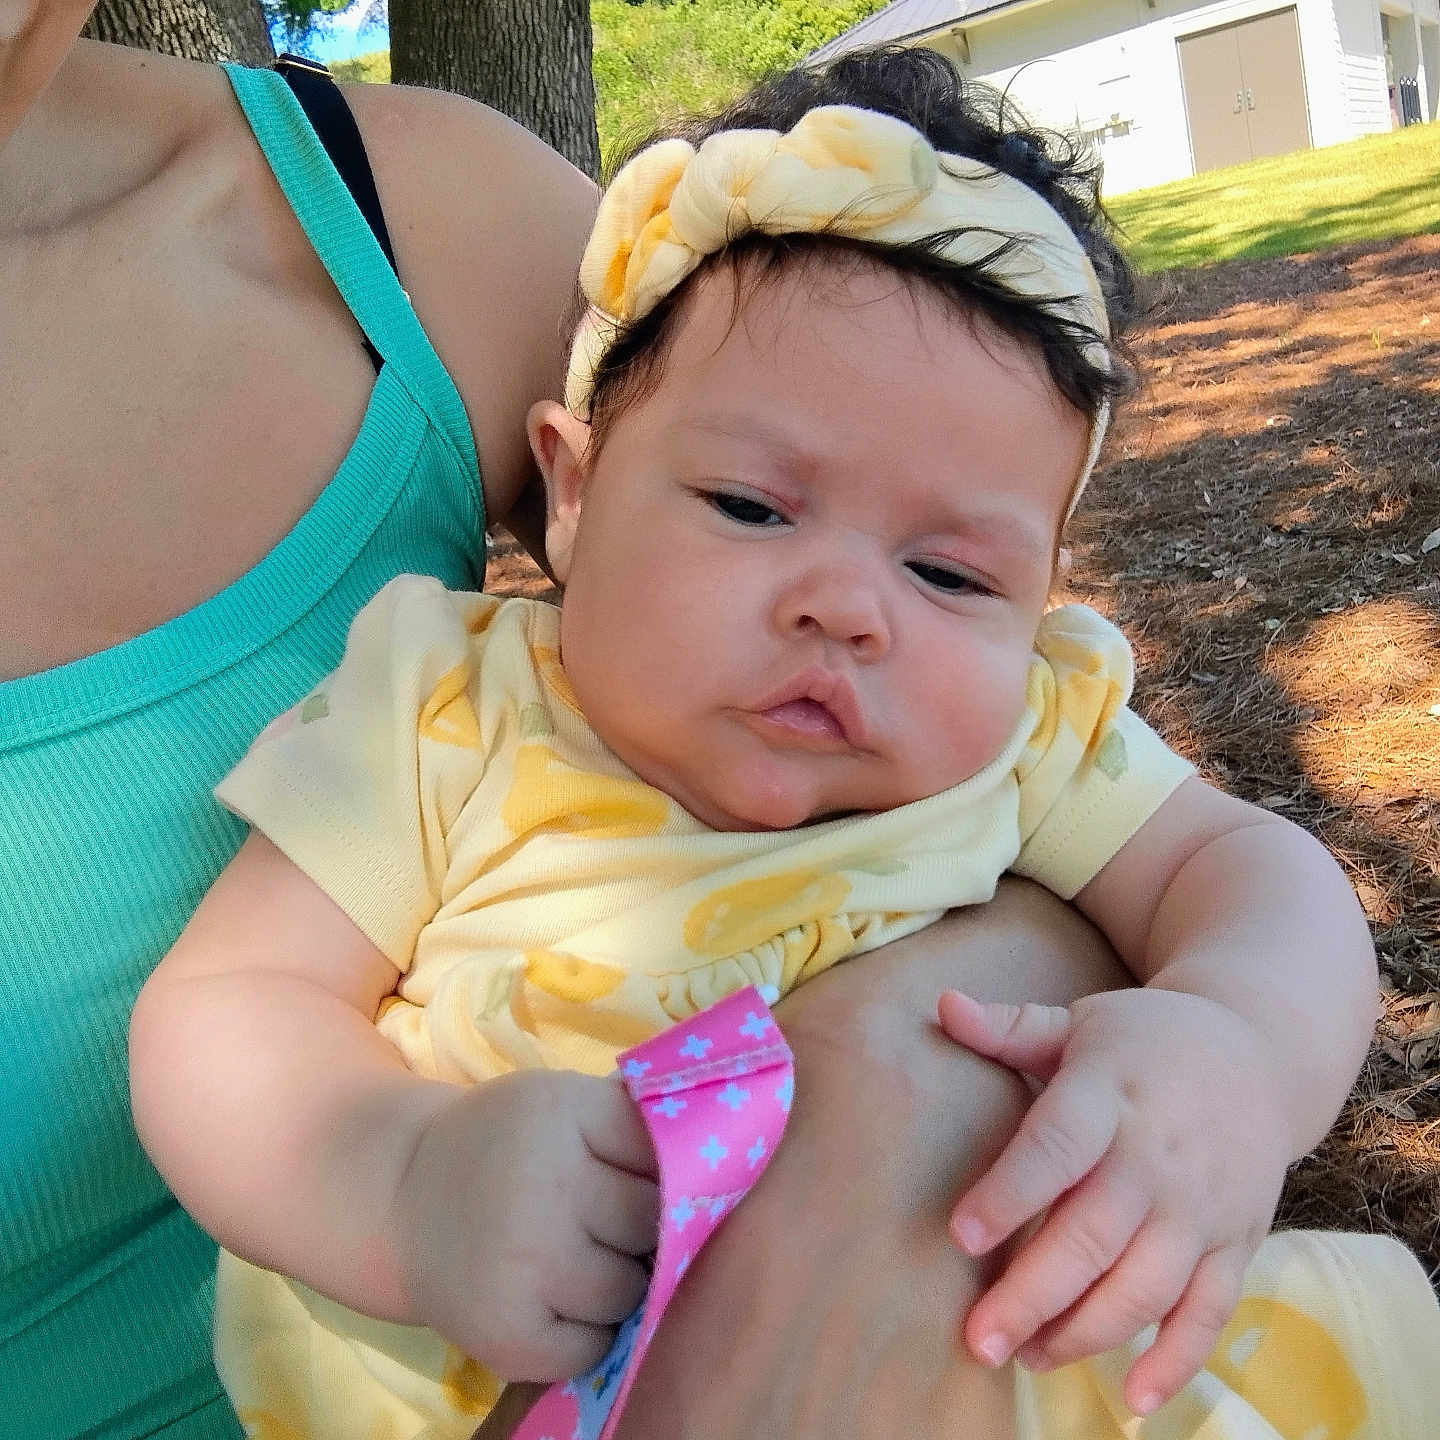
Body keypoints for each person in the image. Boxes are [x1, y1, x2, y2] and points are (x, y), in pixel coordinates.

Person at [130, 48, 1435, 1440]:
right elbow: (228, 1008)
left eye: (951, 577)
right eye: (753, 508)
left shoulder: (1030, 740)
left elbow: (1256, 877)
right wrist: (401, 1177)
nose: (847, 606)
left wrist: (1235, 1046)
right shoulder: (451, 715)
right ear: (570, 493)